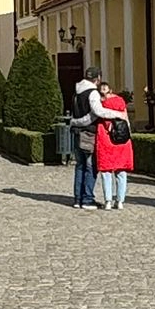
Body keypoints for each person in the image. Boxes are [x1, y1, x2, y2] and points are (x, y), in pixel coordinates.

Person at [93, 80, 134, 210]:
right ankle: (120, 201)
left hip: (106, 140)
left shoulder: (101, 104)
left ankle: (108, 201)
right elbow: (127, 121)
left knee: (106, 172)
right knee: (121, 171)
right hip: (122, 141)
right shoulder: (121, 102)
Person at [68, 66, 103, 210]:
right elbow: (96, 112)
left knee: (80, 165)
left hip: (76, 132)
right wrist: (116, 114)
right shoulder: (93, 93)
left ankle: (78, 199)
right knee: (90, 166)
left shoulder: (77, 92)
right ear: (97, 79)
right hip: (88, 133)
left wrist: (75, 122)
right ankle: (88, 199)